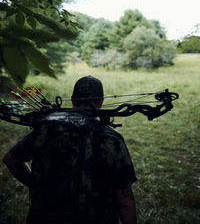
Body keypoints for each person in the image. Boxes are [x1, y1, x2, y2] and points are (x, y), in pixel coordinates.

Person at [3, 75, 137, 224]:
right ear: (101, 101)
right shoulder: (112, 138)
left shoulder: (47, 128)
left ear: (73, 100)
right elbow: (125, 200)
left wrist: (38, 186)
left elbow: (11, 160)